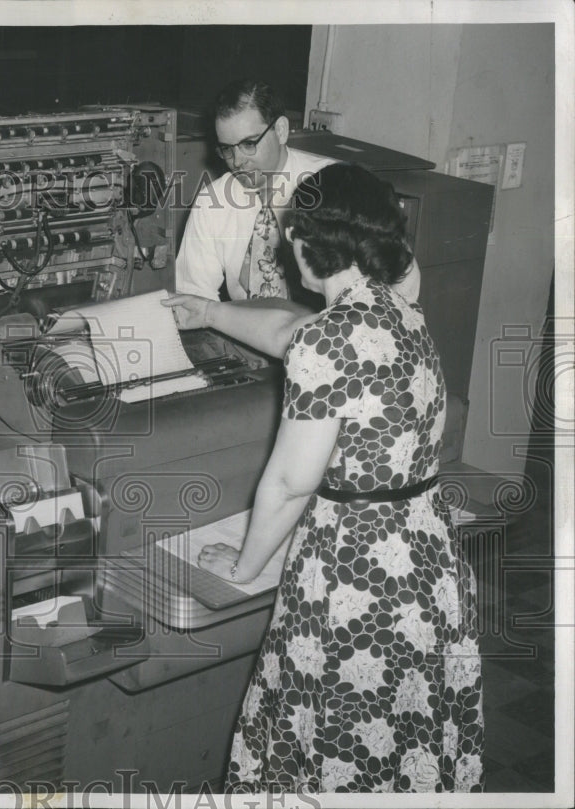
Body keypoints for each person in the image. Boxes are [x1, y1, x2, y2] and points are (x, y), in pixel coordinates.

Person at [164, 163, 483, 792]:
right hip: (426, 564)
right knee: (403, 746)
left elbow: (288, 482)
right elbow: (290, 333)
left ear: (312, 244)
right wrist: (208, 310)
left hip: (355, 579)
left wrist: (246, 566)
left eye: (292, 239)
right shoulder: (400, 309)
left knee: (326, 745)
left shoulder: (330, 340)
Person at [176, 78, 333, 304]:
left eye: (249, 144)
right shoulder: (213, 200)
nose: (237, 162)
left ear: (280, 130)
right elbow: (193, 297)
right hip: (242, 328)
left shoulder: (330, 186)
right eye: (227, 149)